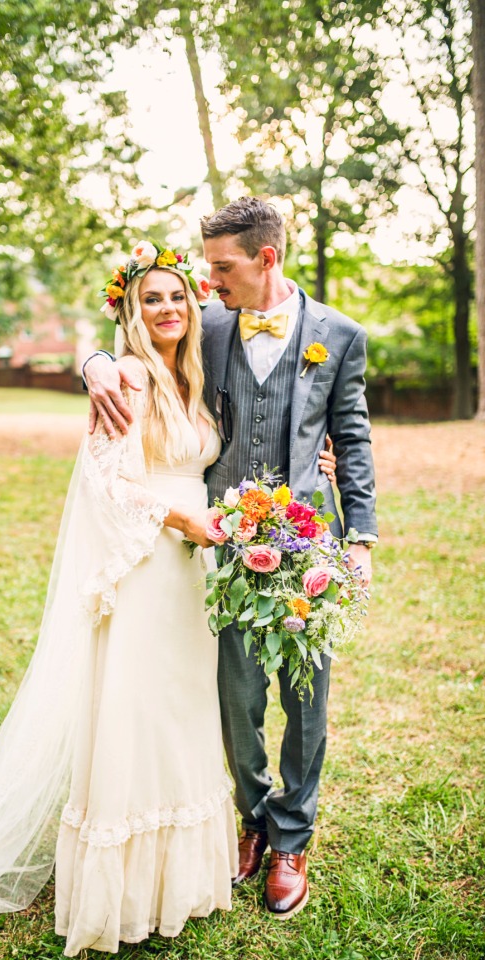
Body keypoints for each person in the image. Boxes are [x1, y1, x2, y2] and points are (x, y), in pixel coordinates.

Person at [0, 241, 335, 960]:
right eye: (151, 300)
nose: (167, 309)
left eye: (177, 297)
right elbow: (104, 481)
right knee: (135, 714)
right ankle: (124, 889)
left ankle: (182, 877)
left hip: (192, 572)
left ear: (193, 304)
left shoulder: (190, 375)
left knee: (181, 712)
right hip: (146, 563)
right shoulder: (128, 378)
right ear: (130, 313)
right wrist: (181, 517)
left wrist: (315, 458)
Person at [83, 197, 378, 920]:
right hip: (218, 541)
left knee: (305, 700)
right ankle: (251, 816)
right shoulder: (206, 324)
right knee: (236, 693)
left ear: (265, 258)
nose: (207, 282)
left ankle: (292, 840)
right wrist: (90, 362)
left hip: (308, 541)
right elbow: (132, 341)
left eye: (220, 267)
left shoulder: (338, 335)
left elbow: (353, 435)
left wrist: (361, 537)